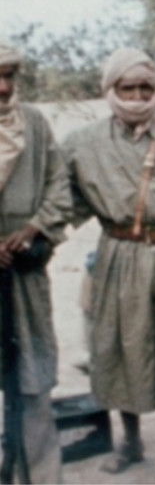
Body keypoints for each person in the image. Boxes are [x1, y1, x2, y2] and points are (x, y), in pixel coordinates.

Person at [62, 48, 155, 478]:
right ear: (110, 89)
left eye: (145, 87)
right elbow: (64, 202)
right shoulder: (83, 143)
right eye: (128, 87)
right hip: (118, 256)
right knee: (122, 349)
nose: (138, 96)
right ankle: (131, 441)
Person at [0, 42, 72, 483]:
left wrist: (34, 228)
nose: (4, 87)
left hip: (24, 272)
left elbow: (58, 185)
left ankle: (40, 476)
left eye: (9, 76)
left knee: (32, 379)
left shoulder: (34, 124)